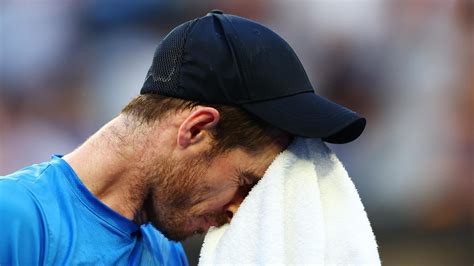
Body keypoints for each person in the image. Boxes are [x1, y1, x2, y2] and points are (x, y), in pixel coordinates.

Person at [0, 10, 366, 265]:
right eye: (246, 183)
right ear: (195, 130)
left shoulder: (166, 252)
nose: (238, 211)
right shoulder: (13, 219)